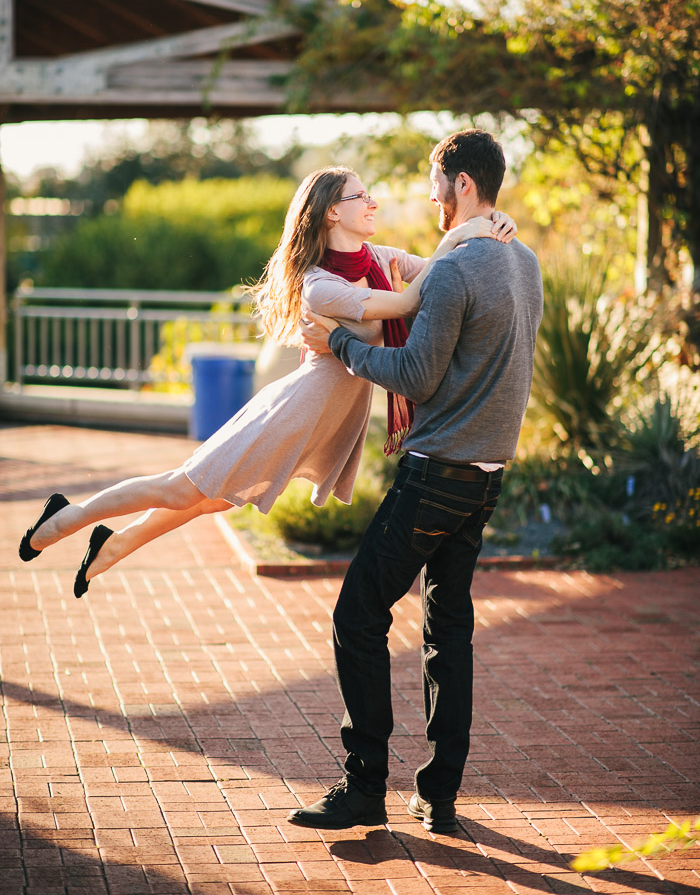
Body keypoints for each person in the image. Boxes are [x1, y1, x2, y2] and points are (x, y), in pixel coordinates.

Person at [18, 166, 516, 599]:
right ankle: (66, 517)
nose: (373, 203)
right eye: (361, 196)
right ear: (331, 213)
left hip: (324, 417)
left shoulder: (380, 259)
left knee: (206, 498)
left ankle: (115, 544)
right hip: (296, 410)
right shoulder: (320, 285)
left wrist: (490, 224)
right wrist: (458, 235)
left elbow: (442, 275)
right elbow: (409, 303)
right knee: (181, 489)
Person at [287, 130, 543, 834]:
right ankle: (440, 796)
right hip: (486, 476)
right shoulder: (524, 263)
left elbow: (415, 376)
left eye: (436, 184)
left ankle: (364, 784)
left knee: (357, 615)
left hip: (436, 473)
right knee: (446, 629)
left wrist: (336, 342)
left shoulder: (458, 271)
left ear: (463, 185)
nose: (428, 198)